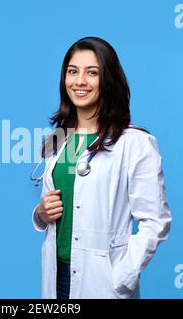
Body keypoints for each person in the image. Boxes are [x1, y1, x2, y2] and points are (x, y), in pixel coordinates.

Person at [31, 37, 171, 299]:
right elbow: (60, 208)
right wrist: (40, 214)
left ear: (107, 80)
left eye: (91, 73)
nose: (80, 81)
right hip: (57, 274)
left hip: (103, 281)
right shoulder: (62, 140)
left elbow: (156, 221)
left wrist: (121, 277)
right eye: (73, 71)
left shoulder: (135, 143)